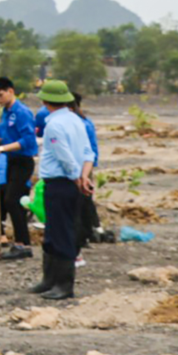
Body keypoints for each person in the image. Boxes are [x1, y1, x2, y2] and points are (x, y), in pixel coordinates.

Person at [28, 81, 94, 300]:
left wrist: (76, 177)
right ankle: (50, 280)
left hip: (61, 182)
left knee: (61, 232)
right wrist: (84, 177)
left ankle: (64, 284)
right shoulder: (77, 120)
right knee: (53, 231)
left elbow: (64, 155)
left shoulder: (54, 125)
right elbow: (88, 152)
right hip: (72, 182)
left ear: (46, 101)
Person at [0, 77, 39, 260]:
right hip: (11, 161)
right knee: (11, 201)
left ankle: (22, 244)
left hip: (23, 162)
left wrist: (0, 149)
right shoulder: (5, 112)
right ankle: (21, 243)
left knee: (12, 200)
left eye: (0, 95)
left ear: (10, 91)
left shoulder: (22, 112)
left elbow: (27, 141)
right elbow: (8, 138)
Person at [70, 93, 101, 267]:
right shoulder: (81, 122)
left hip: (81, 170)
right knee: (84, 205)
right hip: (80, 170)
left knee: (81, 207)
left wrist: (86, 173)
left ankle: (83, 239)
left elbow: (91, 149)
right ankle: (90, 232)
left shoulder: (83, 124)